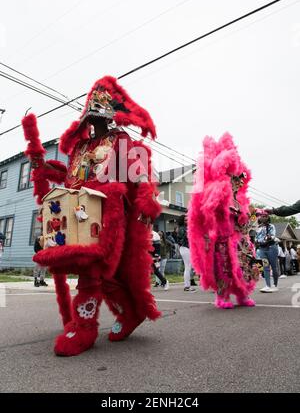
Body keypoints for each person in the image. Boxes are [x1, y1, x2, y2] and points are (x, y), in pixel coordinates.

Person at [22, 76, 161, 357]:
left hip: (108, 214)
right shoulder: (80, 148)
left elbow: (139, 171)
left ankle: (84, 327)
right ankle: (130, 313)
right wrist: (40, 166)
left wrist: (146, 198)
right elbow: (70, 177)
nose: (94, 121)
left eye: (99, 115)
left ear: (109, 116)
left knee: (92, 271)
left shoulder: (120, 140)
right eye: (91, 116)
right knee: (103, 275)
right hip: (76, 212)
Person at [188, 133, 260, 309]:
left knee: (244, 269)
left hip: (239, 240)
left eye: (238, 180)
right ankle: (223, 297)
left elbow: (245, 222)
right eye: (233, 179)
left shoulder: (240, 199)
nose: (236, 183)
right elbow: (207, 211)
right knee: (223, 269)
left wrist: (250, 216)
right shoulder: (217, 193)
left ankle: (243, 294)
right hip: (222, 239)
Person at [256, 214, 279, 292]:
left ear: (268, 218)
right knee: (265, 267)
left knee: (274, 267)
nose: (263, 217)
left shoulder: (271, 226)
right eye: (262, 216)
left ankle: (275, 285)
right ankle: (268, 286)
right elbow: (256, 238)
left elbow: (272, 236)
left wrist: (268, 237)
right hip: (262, 249)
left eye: (266, 216)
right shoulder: (258, 227)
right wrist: (256, 241)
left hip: (271, 248)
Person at [177, 215, 196, 292]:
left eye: (187, 220)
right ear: (182, 221)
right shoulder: (182, 229)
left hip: (186, 248)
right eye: (185, 220)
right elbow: (181, 240)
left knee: (188, 267)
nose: (187, 221)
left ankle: (187, 285)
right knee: (188, 267)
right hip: (185, 248)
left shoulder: (185, 228)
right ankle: (187, 286)